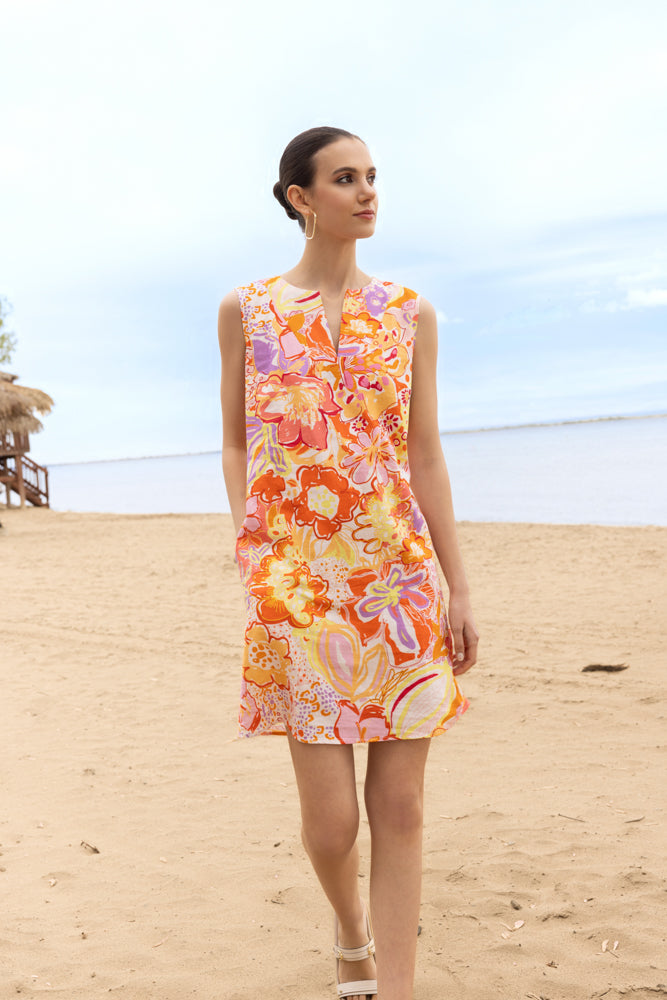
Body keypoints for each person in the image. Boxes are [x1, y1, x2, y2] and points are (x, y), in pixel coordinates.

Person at [218, 126, 478, 1000]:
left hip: (399, 586)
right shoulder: (247, 310)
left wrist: (457, 586)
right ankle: (351, 930)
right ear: (300, 197)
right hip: (296, 588)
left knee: (398, 809)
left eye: (371, 177)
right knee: (331, 826)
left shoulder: (409, 313)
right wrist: (253, 548)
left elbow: (426, 456)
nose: (366, 193)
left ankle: (395, 989)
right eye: (344, 179)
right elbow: (234, 438)